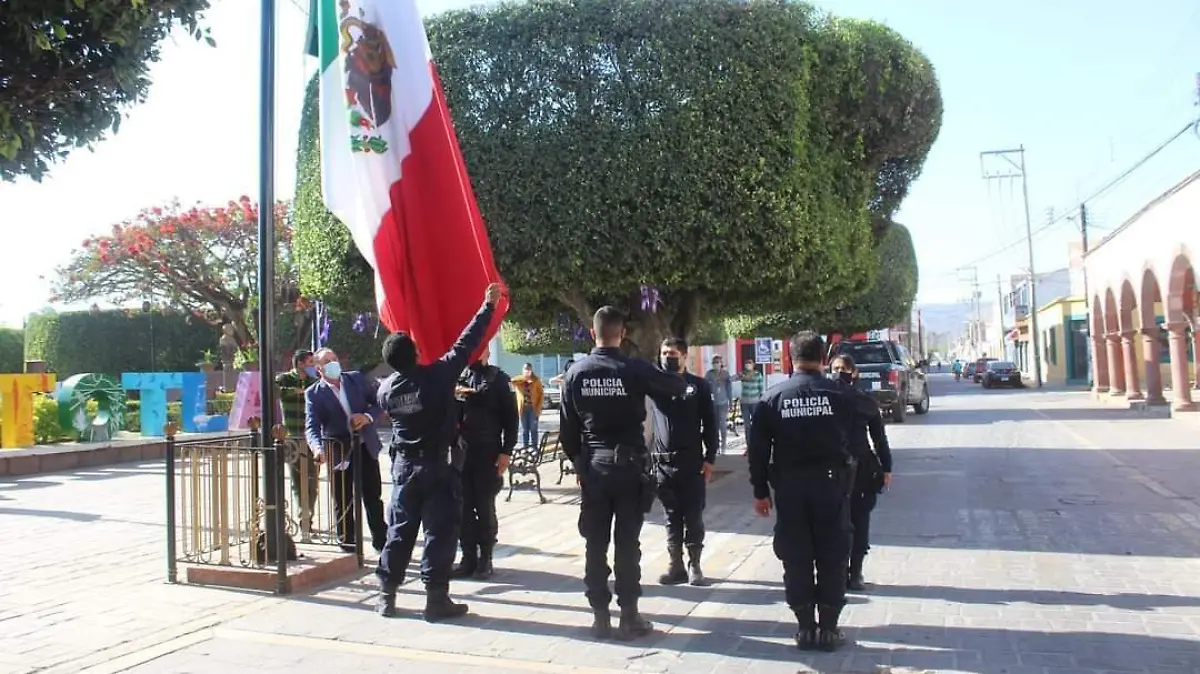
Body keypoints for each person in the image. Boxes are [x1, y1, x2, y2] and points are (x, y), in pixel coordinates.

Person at [374, 283, 503, 621]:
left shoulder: (386, 391)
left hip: (404, 468)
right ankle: (435, 600)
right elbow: (467, 342)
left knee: (399, 532)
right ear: (415, 353)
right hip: (437, 467)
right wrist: (486, 305)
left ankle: (386, 596)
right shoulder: (437, 377)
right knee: (439, 533)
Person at [560, 307, 687, 640]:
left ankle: (600, 616)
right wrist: (670, 365)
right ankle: (629, 616)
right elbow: (674, 387)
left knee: (595, 543)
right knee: (627, 543)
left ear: (592, 333)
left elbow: (568, 431)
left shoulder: (576, 372)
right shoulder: (633, 369)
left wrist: (580, 466)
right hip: (629, 468)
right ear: (622, 333)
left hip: (595, 468)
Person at [747, 330, 879, 652]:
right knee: (833, 555)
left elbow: (758, 451)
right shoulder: (843, 395)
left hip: (790, 490)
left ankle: (806, 626)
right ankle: (829, 628)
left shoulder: (772, 398)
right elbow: (867, 425)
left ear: (791, 358)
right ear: (823, 359)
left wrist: (760, 492)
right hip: (832, 487)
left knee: (796, 555)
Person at [648, 337, 718, 587]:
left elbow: (710, 423)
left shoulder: (698, 386)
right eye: (664, 352)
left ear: (685, 356)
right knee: (671, 517)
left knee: (693, 516)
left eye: (673, 353)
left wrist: (710, 458)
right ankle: (675, 565)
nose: (668, 357)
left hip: (691, 464)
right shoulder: (655, 385)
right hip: (663, 465)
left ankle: (695, 564)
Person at [304, 348, 388, 553]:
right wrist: (317, 448)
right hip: (338, 450)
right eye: (327, 362)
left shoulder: (356, 379)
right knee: (342, 499)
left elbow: (379, 401)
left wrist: (367, 417)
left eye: (334, 359)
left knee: (372, 496)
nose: (333, 364)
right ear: (318, 369)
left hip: (364, 446)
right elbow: (312, 425)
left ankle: (382, 542)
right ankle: (348, 543)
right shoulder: (313, 394)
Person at [451, 344, 518, 580]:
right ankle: (468, 557)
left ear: (487, 352)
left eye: (479, 349)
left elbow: (511, 419)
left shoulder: (499, 379)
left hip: (488, 451)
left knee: (484, 505)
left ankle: (485, 558)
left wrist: (506, 452)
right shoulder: (460, 378)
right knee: (463, 508)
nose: (474, 354)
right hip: (462, 453)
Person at [829, 354, 893, 592]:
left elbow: (879, 438)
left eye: (843, 368)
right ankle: (838, 572)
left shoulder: (863, 400)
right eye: (835, 368)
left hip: (862, 469)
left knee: (859, 522)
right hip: (833, 469)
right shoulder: (829, 399)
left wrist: (887, 467)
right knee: (837, 523)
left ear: (854, 372)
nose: (838, 373)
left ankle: (854, 573)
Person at [277, 350, 319, 535]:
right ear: (300, 363)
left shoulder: (314, 381)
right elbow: (276, 392)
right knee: (297, 479)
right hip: (292, 437)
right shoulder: (284, 379)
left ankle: (308, 514)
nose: (313, 365)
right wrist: (297, 391)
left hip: (311, 437)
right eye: (310, 362)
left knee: (313, 479)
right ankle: (304, 515)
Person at [703, 355, 733, 452]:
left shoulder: (725, 374)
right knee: (714, 425)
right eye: (714, 362)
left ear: (721, 363)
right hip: (712, 403)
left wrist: (731, 401)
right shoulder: (709, 374)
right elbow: (705, 387)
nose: (716, 364)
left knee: (722, 424)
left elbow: (729, 388)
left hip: (723, 402)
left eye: (718, 362)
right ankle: (716, 445)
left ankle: (724, 445)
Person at [514, 362, 544, 448]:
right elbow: (512, 381)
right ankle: (525, 447)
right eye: (525, 369)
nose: (527, 371)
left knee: (533, 429)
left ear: (531, 370)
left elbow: (541, 394)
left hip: (533, 408)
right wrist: (524, 377)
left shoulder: (536, 380)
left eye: (528, 369)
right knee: (525, 430)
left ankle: (535, 447)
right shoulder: (519, 381)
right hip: (523, 408)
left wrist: (538, 408)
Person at [739, 359, 765, 446]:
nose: (748, 365)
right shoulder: (743, 374)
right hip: (744, 402)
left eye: (749, 363)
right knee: (747, 426)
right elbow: (731, 379)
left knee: (756, 424)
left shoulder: (757, 375)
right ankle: (749, 446)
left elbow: (761, 389)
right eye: (746, 363)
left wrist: (762, 402)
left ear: (753, 365)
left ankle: (757, 444)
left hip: (755, 402)